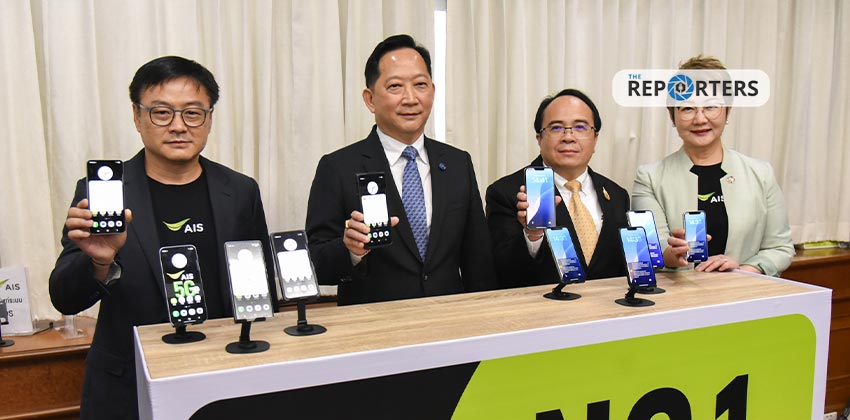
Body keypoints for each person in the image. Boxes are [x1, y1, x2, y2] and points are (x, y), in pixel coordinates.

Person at [49, 56, 276, 420]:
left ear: (210, 118)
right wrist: (99, 262)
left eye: (193, 112)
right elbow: (64, 295)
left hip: (223, 389)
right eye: (161, 112)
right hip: (138, 396)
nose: (178, 125)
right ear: (137, 116)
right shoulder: (104, 194)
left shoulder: (239, 191)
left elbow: (259, 290)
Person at [305, 34, 496, 305]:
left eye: (420, 85)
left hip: (450, 317)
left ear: (432, 91)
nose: (410, 98)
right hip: (374, 321)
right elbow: (316, 260)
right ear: (370, 99)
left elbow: (478, 258)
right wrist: (351, 250)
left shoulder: (457, 163)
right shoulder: (337, 167)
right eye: (395, 86)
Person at [632, 55, 794, 276]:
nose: (700, 119)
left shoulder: (761, 174)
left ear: (727, 110)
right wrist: (673, 254)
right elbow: (652, 250)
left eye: (710, 106)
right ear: (672, 116)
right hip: (679, 294)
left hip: (744, 293)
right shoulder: (650, 178)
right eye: (687, 108)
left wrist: (743, 271)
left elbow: (780, 248)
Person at [486, 89, 630, 287]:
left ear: (595, 138)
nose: (568, 137)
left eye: (580, 127)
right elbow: (502, 273)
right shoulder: (507, 193)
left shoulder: (617, 195)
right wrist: (533, 236)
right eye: (556, 128)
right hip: (543, 305)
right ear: (539, 138)